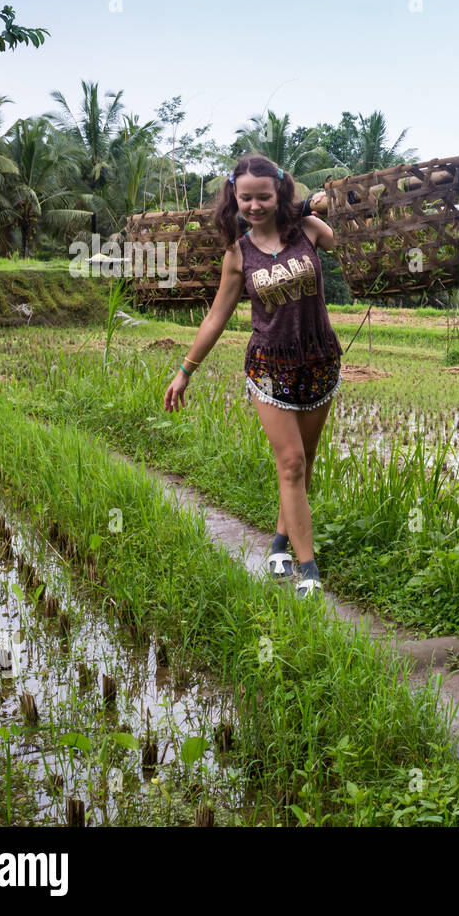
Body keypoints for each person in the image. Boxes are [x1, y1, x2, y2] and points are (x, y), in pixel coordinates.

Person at [163, 153, 341, 600]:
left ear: (279, 191)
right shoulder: (237, 254)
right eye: (246, 198)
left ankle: (280, 542)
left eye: (264, 196)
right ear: (234, 198)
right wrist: (186, 371)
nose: (255, 205)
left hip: (319, 360)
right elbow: (216, 317)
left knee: (305, 461)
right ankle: (308, 570)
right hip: (270, 366)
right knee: (292, 463)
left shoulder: (308, 232)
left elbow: (336, 237)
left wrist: (324, 204)